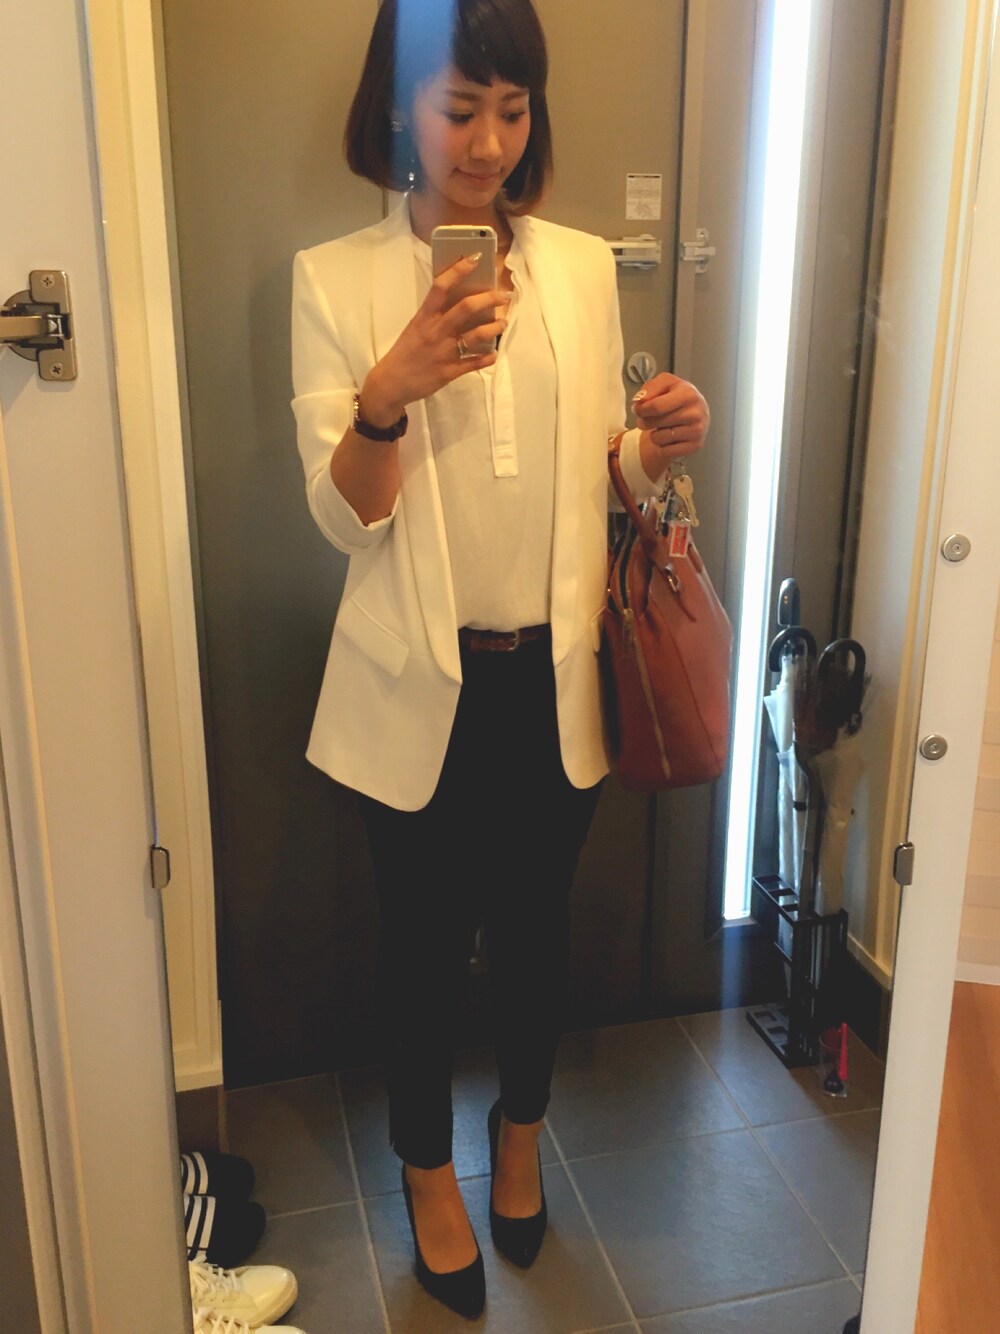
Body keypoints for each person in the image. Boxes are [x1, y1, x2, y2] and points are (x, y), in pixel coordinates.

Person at [290, 0, 708, 1317]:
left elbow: (598, 478)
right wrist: (389, 390)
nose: (487, 142)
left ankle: (519, 1142)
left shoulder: (580, 267)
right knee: (421, 949)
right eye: (459, 108)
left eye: (512, 110)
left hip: (556, 680)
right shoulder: (333, 280)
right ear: (401, 106)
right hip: (418, 685)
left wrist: (653, 447)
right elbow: (344, 520)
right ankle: (429, 1174)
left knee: (536, 938)